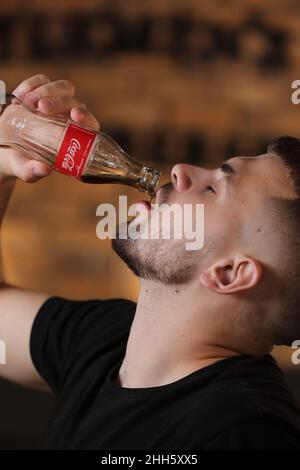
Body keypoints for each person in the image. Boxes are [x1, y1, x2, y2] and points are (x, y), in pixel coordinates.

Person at [0, 74, 300, 450]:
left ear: (230, 273)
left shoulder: (243, 435)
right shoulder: (108, 338)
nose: (180, 170)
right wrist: (4, 169)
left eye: (212, 188)